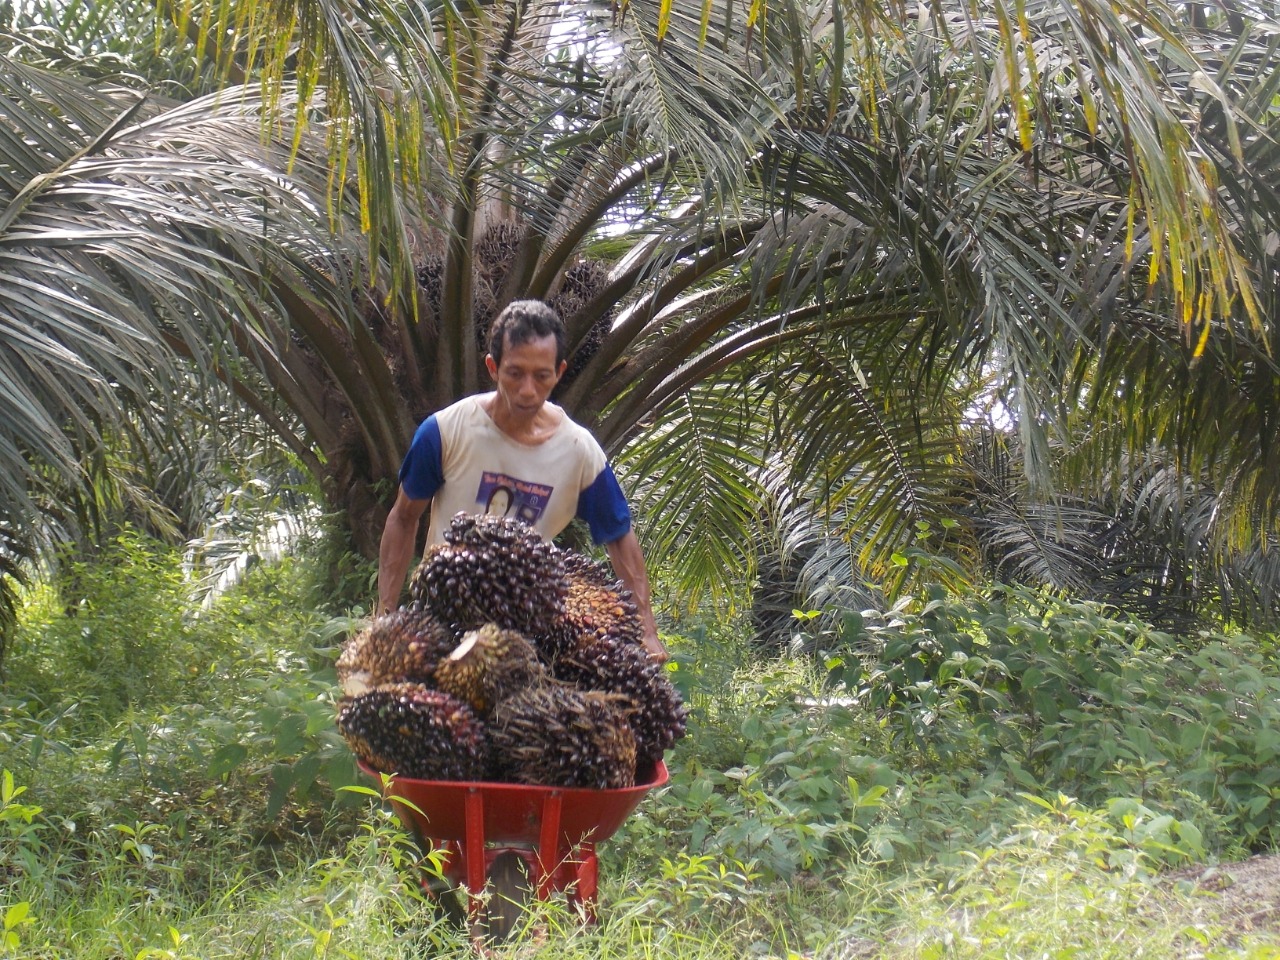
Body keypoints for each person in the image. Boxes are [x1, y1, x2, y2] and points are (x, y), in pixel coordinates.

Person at [377, 299, 668, 663]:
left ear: (559, 372)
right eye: (515, 373)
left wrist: (646, 630)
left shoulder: (579, 452)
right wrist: (385, 616)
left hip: (527, 632)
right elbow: (404, 517)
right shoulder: (445, 431)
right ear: (492, 367)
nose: (528, 390)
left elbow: (620, 536)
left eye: (541, 376)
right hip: (442, 618)